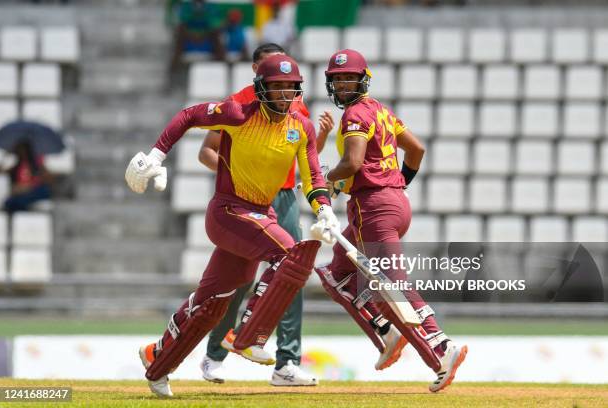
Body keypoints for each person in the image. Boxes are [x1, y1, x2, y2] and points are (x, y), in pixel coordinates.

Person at [125, 54, 339, 397]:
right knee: (291, 255)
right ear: (261, 89)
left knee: (212, 303)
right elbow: (188, 115)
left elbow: (313, 175)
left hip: (259, 216)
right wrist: (156, 156)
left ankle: (157, 361)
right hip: (228, 212)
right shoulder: (238, 114)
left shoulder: (301, 127)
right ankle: (247, 335)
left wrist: (324, 209)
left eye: (290, 88)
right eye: (277, 87)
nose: (285, 94)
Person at [315, 49, 467, 393]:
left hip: (373, 207)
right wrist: (397, 186)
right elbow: (416, 151)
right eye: (337, 79)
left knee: (392, 284)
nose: (341, 84)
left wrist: (323, 178)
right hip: (393, 203)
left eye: (348, 78)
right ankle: (386, 331)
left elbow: (352, 163)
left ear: (362, 80)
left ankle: (442, 347)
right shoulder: (381, 110)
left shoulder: (355, 114)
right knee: (335, 273)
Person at [197, 43, 333, 386]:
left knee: (293, 275)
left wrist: (323, 136)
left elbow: (304, 155)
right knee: (238, 279)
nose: (282, 81)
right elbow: (207, 152)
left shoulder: (294, 103)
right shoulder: (238, 103)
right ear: (257, 71)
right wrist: (236, 177)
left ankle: (286, 363)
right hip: (244, 200)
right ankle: (215, 354)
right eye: (271, 69)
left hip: (284, 197)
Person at [3, 141, 52, 213]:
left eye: (22, 149)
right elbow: (1, 171)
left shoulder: (36, 163)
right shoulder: (17, 166)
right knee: (10, 202)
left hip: (36, 190)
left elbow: (47, 179)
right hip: (23, 192)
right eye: (18, 149)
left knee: (17, 202)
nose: (21, 152)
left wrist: (28, 187)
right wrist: (5, 157)